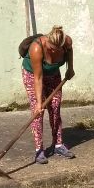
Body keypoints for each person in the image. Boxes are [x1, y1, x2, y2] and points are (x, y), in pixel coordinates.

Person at [22, 26, 76, 164]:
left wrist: (70, 68)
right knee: (37, 112)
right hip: (33, 75)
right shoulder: (36, 48)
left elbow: (69, 52)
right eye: (51, 47)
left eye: (56, 49)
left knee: (55, 107)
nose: (52, 50)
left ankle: (58, 145)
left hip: (53, 75)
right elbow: (38, 78)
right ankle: (39, 150)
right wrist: (40, 103)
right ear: (47, 40)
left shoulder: (67, 42)